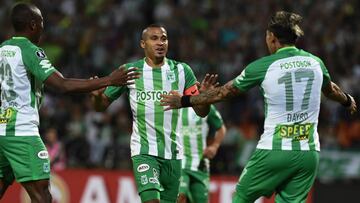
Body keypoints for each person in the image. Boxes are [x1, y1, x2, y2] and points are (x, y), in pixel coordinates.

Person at [160, 11, 357, 203]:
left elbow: (223, 92)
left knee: (240, 198)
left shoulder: (263, 66)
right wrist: (347, 100)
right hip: (308, 153)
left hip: (273, 151)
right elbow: (331, 90)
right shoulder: (316, 63)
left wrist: (185, 101)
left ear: (272, 38)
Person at [0, 3, 139, 203]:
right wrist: (110, 79)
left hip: (2, 129)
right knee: (43, 196)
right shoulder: (29, 50)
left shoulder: (3, 48)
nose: (42, 28)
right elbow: (62, 84)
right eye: (41, 23)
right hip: (21, 132)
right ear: (32, 25)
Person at [91, 24, 211, 203]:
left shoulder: (182, 71)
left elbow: (201, 112)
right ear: (142, 44)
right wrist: (97, 98)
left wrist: (205, 98)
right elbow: (101, 107)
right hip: (144, 151)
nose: (160, 43)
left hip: (174, 154)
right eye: (154, 38)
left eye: (164, 38)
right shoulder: (130, 71)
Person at [177, 105, 226, 203]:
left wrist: (214, 146)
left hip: (200, 163)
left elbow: (221, 128)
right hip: (180, 161)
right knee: (179, 196)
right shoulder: (176, 104)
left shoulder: (207, 107)